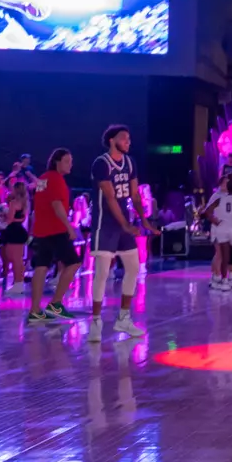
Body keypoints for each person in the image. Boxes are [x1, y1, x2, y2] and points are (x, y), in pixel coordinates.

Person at [86, 126, 153, 342]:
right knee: (102, 273)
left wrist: (143, 220)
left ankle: (123, 318)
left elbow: (134, 194)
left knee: (133, 267)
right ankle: (95, 321)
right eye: (124, 138)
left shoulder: (130, 162)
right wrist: (124, 224)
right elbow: (110, 197)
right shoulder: (101, 163)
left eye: (130, 139)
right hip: (105, 223)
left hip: (124, 223)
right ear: (112, 140)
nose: (128, 142)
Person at [27, 148, 83, 325]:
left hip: (41, 230)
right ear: (57, 161)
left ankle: (35, 311)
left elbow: (39, 204)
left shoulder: (43, 178)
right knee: (74, 262)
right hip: (56, 229)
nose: (70, 164)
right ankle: (56, 303)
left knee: (41, 267)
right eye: (67, 161)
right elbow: (57, 205)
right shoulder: (56, 179)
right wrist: (69, 227)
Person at [204, 172, 232, 292]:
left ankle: (216, 276)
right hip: (218, 228)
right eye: (226, 182)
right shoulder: (217, 196)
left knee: (221, 254)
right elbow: (209, 212)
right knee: (219, 254)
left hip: (224, 227)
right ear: (221, 184)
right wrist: (217, 222)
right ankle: (216, 277)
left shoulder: (227, 196)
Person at [0, 178, 32, 297]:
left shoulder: (13, 203)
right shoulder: (25, 203)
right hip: (19, 230)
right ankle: (19, 283)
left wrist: (1, 218)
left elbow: (10, 219)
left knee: (13, 258)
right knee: (18, 259)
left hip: (12, 231)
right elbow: (21, 219)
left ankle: (18, 284)